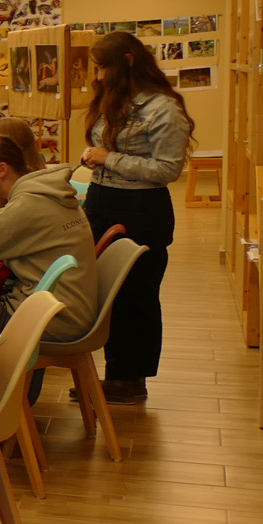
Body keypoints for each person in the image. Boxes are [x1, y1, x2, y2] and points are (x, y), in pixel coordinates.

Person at [79, 30, 193, 403]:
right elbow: (104, 147)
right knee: (109, 294)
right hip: (102, 201)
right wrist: (93, 156)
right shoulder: (113, 98)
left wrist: (108, 158)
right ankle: (116, 375)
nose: (98, 77)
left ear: (127, 62)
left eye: (103, 68)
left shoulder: (164, 109)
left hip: (141, 210)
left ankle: (129, 379)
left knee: (135, 295)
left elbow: (167, 169)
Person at [0, 134, 97, 340]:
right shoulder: (44, 192)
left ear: (2, 169)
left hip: (55, 318)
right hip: (67, 308)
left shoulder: (26, 206)